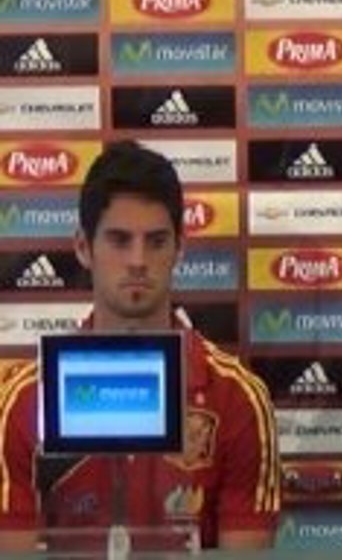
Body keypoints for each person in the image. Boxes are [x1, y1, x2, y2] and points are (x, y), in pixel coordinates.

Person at [0, 140, 280, 551]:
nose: (138, 260)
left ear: (179, 248)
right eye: (119, 240)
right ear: (83, 247)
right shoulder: (22, 402)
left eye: (156, 241)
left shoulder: (238, 399)